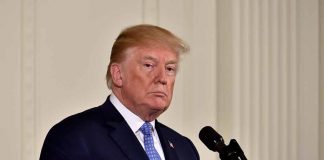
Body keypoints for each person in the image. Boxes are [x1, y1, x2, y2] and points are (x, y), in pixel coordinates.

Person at [40, 24, 200, 160]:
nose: (162, 78)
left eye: (170, 68)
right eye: (149, 65)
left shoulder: (184, 149)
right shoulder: (74, 137)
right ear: (118, 74)